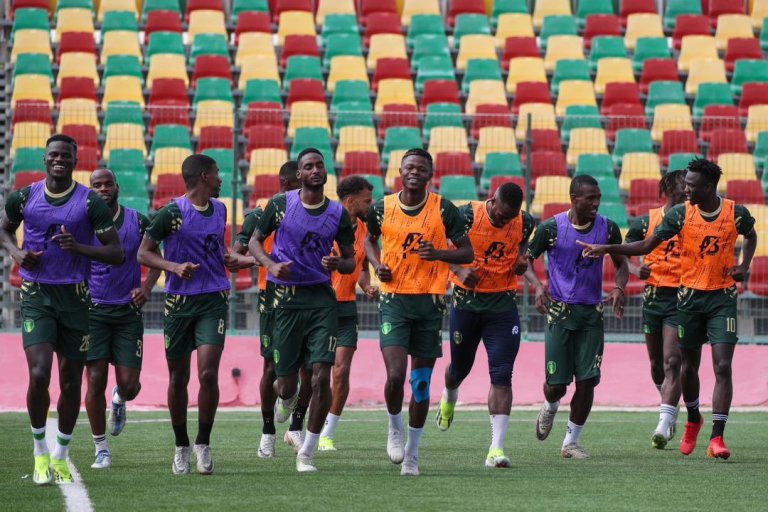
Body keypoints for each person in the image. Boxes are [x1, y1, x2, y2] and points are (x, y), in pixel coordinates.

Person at [578, 159, 757, 460]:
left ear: (708, 187)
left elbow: (751, 235)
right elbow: (646, 245)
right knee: (687, 368)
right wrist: (609, 249)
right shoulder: (679, 214)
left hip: (722, 297)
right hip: (688, 300)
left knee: (722, 366)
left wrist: (744, 264)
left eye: (691, 185)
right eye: (685, 185)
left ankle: (717, 438)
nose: (686, 190)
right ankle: (693, 418)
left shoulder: (735, 213)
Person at [0, 134, 123, 485]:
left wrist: (79, 247)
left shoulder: (90, 202)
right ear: (44, 159)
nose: (59, 160)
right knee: (39, 374)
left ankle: (60, 455)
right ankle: (40, 451)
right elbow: (4, 230)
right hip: (37, 295)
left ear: (74, 161)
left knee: (70, 382)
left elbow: (116, 252)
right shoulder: (24, 197)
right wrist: (16, 252)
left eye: (65, 156)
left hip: (76, 300)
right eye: (53, 155)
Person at [137, 154, 249, 475]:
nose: (221, 179)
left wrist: (230, 259)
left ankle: (203, 443)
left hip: (213, 300)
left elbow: (219, 249)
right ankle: (181, 445)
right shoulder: (171, 213)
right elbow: (143, 252)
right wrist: (173, 266)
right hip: (179, 304)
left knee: (208, 374)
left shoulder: (221, 210)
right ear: (203, 176)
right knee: (178, 378)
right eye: (217, 173)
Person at [365, 148, 474, 476]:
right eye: (409, 167)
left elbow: (467, 253)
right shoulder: (381, 208)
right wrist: (377, 266)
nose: (414, 172)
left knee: (421, 384)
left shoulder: (444, 209)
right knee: (396, 375)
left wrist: (438, 253)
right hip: (394, 301)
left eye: (421, 169)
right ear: (400, 171)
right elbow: (369, 242)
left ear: (430, 175)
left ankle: (412, 455)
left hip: (430, 302)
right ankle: (394, 426)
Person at [248, 148, 356, 473]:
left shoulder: (337, 214)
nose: (315, 170)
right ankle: (285, 401)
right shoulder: (280, 205)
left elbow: (350, 261)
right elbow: (254, 242)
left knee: (322, 376)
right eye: (309, 166)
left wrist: (339, 263)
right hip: (285, 300)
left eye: (319, 165)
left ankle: (306, 452)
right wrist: (270, 265)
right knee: (285, 384)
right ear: (299, 175)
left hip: (322, 299)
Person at [525, 175, 628, 459]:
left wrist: (619, 287)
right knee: (557, 386)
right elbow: (526, 260)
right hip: (560, 313)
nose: (596, 203)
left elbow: (622, 264)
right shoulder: (551, 228)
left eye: (598, 198)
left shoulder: (608, 228)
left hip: (592, 315)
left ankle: (570, 442)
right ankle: (550, 406)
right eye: (590, 198)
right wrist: (538, 286)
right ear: (574, 199)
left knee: (587, 381)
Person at [435, 183, 534, 468]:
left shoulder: (524, 221)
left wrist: (521, 261)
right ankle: (449, 395)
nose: (505, 221)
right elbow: (438, 247)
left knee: (502, 373)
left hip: (502, 304)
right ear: (492, 201)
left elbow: (522, 246)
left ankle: (496, 449)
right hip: (467, 302)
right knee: (459, 369)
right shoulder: (466, 215)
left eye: (510, 218)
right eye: (501, 216)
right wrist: (458, 270)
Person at [233, 161, 313, 458]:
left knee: (309, 369)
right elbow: (235, 256)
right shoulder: (260, 214)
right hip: (272, 298)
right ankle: (267, 432)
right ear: (288, 182)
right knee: (271, 368)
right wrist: (264, 261)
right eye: (301, 184)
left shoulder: (313, 212)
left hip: (307, 294)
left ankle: (296, 426)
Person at [85, 169, 161, 469]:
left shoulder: (138, 221)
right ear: (91, 190)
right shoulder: (83, 222)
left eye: (108, 184)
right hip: (93, 312)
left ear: (117, 187)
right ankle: (101, 448)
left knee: (129, 384)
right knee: (95, 379)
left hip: (128, 313)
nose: (103, 189)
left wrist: (147, 287)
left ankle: (119, 399)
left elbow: (155, 257)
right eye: (97, 185)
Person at [623, 170, 687, 449]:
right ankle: (669, 405)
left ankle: (663, 423)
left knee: (672, 360)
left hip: (680, 297)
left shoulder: (693, 220)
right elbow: (623, 252)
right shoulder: (647, 221)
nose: (688, 191)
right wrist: (635, 268)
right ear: (669, 190)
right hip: (653, 297)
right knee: (656, 364)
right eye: (683, 187)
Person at [318, 176, 378, 451]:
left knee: (341, 372)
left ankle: (326, 433)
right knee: (314, 374)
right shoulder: (323, 222)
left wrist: (367, 286)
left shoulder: (366, 231)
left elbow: (362, 267)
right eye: (367, 201)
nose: (371, 205)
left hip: (346, 307)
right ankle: (297, 416)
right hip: (318, 307)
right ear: (350, 201)